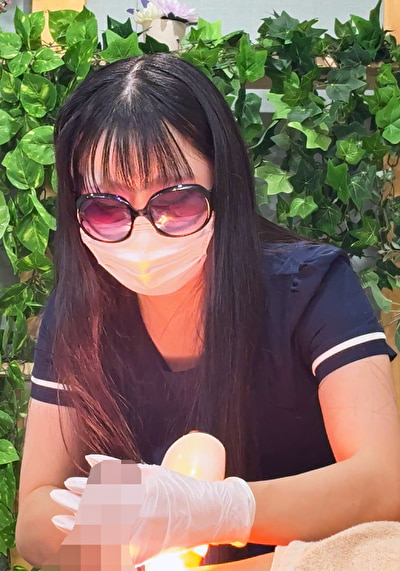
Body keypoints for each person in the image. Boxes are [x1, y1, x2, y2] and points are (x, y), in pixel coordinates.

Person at [15, 52, 400, 569]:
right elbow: (36, 523)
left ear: (224, 186)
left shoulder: (309, 287)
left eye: (175, 202)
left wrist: (219, 510)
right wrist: (134, 519)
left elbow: (384, 484)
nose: (143, 231)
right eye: (107, 208)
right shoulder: (80, 314)